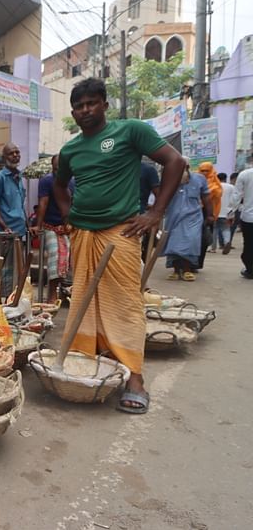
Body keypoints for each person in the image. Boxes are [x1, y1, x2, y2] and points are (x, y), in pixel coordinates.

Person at [54, 78, 185, 415]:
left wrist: (156, 213)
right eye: (80, 106)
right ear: (73, 112)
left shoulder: (130, 131)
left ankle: (135, 378)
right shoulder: (69, 150)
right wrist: (69, 214)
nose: (86, 110)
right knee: (85, 299)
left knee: (125, 303)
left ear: (105, 105)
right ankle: (90, 361)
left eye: (92, 103)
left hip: (121, 233)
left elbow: (175, 162)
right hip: (83, 233)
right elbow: (58, 184)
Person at [33, 154, 74, 302]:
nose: (58, 172)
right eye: (56, 169)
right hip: (51, 226)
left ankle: (65, 291)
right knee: (56, 257)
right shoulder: (46, 181)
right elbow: (43, 203)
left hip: (68, 227)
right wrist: (38, 225)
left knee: (74, 257)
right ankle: (51, 294)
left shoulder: (73, 182)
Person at [161, 163, 213, 281]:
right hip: (173, 216)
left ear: (187, 168)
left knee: (190, 242)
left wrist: (210, 214)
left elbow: (206, 197)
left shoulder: (199, 179)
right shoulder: (169, 179)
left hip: (193, 216)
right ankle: (175, 269)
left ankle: (187, 270)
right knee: (173, 243)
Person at [0, 142, 28, 297]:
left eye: (17, 152)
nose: (15, 155)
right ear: (4, 157)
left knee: (18, 271)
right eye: (11, 153)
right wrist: (5, 227)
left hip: (19, 232)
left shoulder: (19, 177)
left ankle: (14, 303)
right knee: (4, 271)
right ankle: (5, 303)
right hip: (5, 233)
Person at [229, 165, 253, 279]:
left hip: (249, 217)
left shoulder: (244, 174)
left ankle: (250, 269)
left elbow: (237, 195)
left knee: (249, 244)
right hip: (248, 216)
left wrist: (231, 212)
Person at [197, 162, 221, 263]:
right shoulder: (195, 181)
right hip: (195, 212)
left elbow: (217, 194)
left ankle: (198, 263)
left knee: (204, 239)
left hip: (208, 214)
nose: (205, 173)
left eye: (207, 170)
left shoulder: (216, 184)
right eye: (202, 171)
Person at [139, 161, 160, 262]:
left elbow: (158, 194)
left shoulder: (147, 170)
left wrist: (155, 214)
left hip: (138, 215)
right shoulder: (114, 167)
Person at [217, 173, 235, 254]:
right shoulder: (231, 187)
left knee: (214, 230)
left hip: (216, 211)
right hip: (228, 212)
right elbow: (235, 198)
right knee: (226, 229)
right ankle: (227, 242)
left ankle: (213, 248)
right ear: (226, 178)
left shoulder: (215, 186)